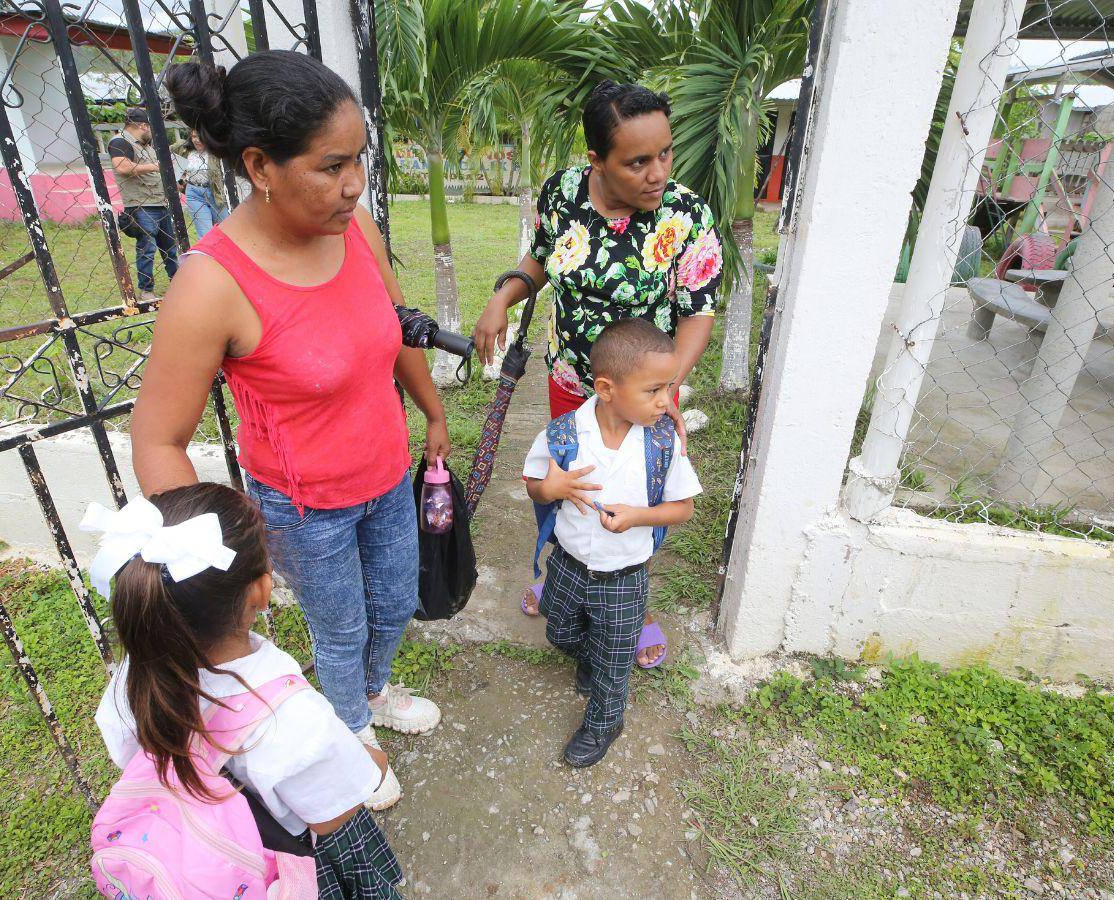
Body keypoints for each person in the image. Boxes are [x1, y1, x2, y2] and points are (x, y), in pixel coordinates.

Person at [130, 50, 452, 811]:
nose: (354, 185)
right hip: (306, 507)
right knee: (339, 631)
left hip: (383, 473)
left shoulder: (355, 229)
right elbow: (157, 439)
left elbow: (397, 329)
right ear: (259, 165)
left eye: (359, 161)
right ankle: (347, 729)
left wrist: (433, 410)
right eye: (331, 165)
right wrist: (214, 553)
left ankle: (370, 693)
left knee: (397, 603)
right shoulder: (213, 281)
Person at [474, 80, 724, 667]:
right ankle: (562, 577)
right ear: (597, 161)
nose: (657, 172)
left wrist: (664, 394)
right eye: (637, 161)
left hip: (641, 402)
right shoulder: (562, 193)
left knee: (637, 502)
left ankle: (631, 606)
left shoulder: (684, 214)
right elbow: (540, 258)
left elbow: (698, 312)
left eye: (665, 152)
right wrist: (501, 297)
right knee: (563, 489)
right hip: (573, 388)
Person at [93, 483, 403, 898]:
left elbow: (127, 752)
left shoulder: (134, 677)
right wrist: (373, 761)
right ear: (261, 588)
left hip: (188, 847)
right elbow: (333, 815)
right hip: (283, 865)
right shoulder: (287, 717)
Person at [524, 320, 701, 767]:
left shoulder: (663, 443)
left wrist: (640, 516)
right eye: (654, 390)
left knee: (613, 666)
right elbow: (532, 483)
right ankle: (594, 656)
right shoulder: (564, 434)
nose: (666, 401)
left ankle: (604, 722)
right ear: (606, 388)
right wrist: (552, 488)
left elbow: (683, 508)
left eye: (669, 387)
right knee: (559, 631)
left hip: (624, 578)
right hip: (567, 564)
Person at [108, 107, 179, 301]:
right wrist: (157, 166)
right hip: (141, 204)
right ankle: (146, 289)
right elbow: (122, 167)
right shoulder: (120, 142)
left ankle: (179, 282)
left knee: (170, 247)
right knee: (147, 248)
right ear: (143, 125)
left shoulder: (146, 146)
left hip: (159, 202)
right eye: (150, 127)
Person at [173, 130, 229, 239]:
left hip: (215, 192)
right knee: (205, 234)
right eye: (193, 136)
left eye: (200, 137)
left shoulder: (216, 152)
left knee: (225, 230)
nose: (196, 140)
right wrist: (178, 179)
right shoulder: (186, 150)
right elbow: (171, 155)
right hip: (194, 192)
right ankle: (208, 255)